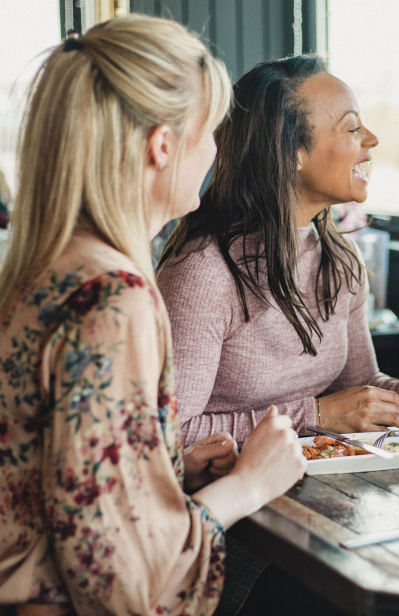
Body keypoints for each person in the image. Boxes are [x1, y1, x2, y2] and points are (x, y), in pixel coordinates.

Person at [0, 16, 307, 616]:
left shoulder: (42, 268)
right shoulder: (114, 296)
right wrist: (249, 485)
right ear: (163, 145)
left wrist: (163, 466)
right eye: (211, 132)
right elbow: (118, 581)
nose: (217, 152)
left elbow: (58, 474)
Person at [156, 55, 399, 447]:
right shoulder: (204, 273)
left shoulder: (340, 259)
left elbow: (361, 393)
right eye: (352, 127)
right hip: (230, 499)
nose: (372, 139)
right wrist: (314, 415)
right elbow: (167, 434)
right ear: (292, 151)